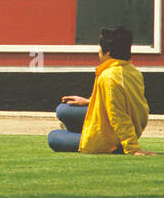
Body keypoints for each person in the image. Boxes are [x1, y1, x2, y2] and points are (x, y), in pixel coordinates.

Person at [47, 26, 153, 154]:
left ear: (107, 53)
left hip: (111, 139)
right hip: (129, 128)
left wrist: (132, 148)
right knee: (63, 109)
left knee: (53, 136)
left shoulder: (109, 76)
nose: (98, 53)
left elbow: (117, 114)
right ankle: (81, 131)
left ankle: (113, 145)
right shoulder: (133, 71)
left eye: (99, 49)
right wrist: (88, 101)